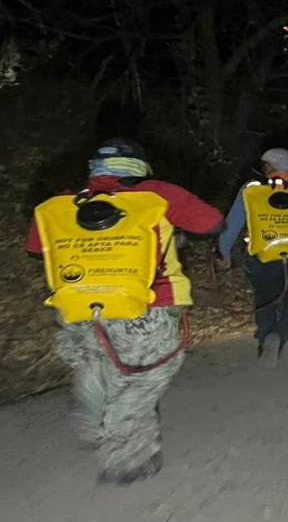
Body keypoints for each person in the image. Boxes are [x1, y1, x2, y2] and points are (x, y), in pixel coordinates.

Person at [26, 138, 223, 485]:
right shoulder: (158, 194)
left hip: (79, 308)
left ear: (94, 170)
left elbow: (35, 250)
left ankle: (99, 410)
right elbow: (211, 223)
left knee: (99, 366)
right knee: (142, 378)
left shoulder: (58, 205)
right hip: (149, 307)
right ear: (140, 167)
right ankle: (125, 455)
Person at [216, 148, 288, 367]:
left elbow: (231, 225)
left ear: (269, 167)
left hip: (263, 254)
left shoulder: (250, 190)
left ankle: (265, 337)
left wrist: (224, 252)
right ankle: (280, 333)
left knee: (266, 298)